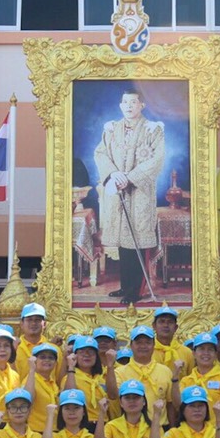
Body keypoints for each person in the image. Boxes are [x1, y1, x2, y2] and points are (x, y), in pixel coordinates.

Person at [93, 88, 165, 304]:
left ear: (142, 105)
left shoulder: (153, 129)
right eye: (125, 102)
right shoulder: (111, 129)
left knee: (138, 241)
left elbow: (157, 159)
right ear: (120, 105)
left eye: (133, 102)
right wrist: (114, 174)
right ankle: (126, 286)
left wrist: (130, 178)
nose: (129, 106)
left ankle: (137, 290)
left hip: (140, 193)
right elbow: (100, 153)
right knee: (124, 243)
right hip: (117, 190)